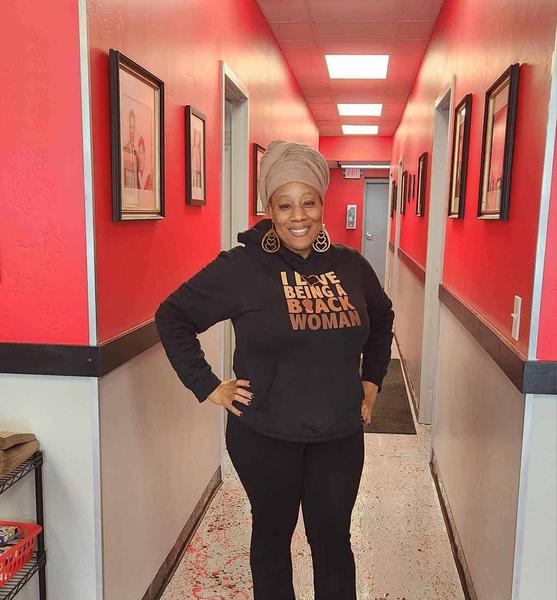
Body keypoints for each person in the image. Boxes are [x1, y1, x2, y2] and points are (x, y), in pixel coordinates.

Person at [155, 139, 395, 600]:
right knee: (271, 539)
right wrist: (208, 386)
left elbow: (382, 317)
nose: (298, 216)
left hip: (338, 436)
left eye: (309, 202)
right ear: (269, 209)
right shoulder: (241, 268)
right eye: (285, 205)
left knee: (333, 541)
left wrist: (372, 379)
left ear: (322, 205)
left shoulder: (351, 266)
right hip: (264, 436)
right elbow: (173, 316)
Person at [122, 109, 140, 189]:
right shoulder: (124, 151)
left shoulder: (136, 154)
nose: (132, 131)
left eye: (134, 128)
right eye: (130, 127)